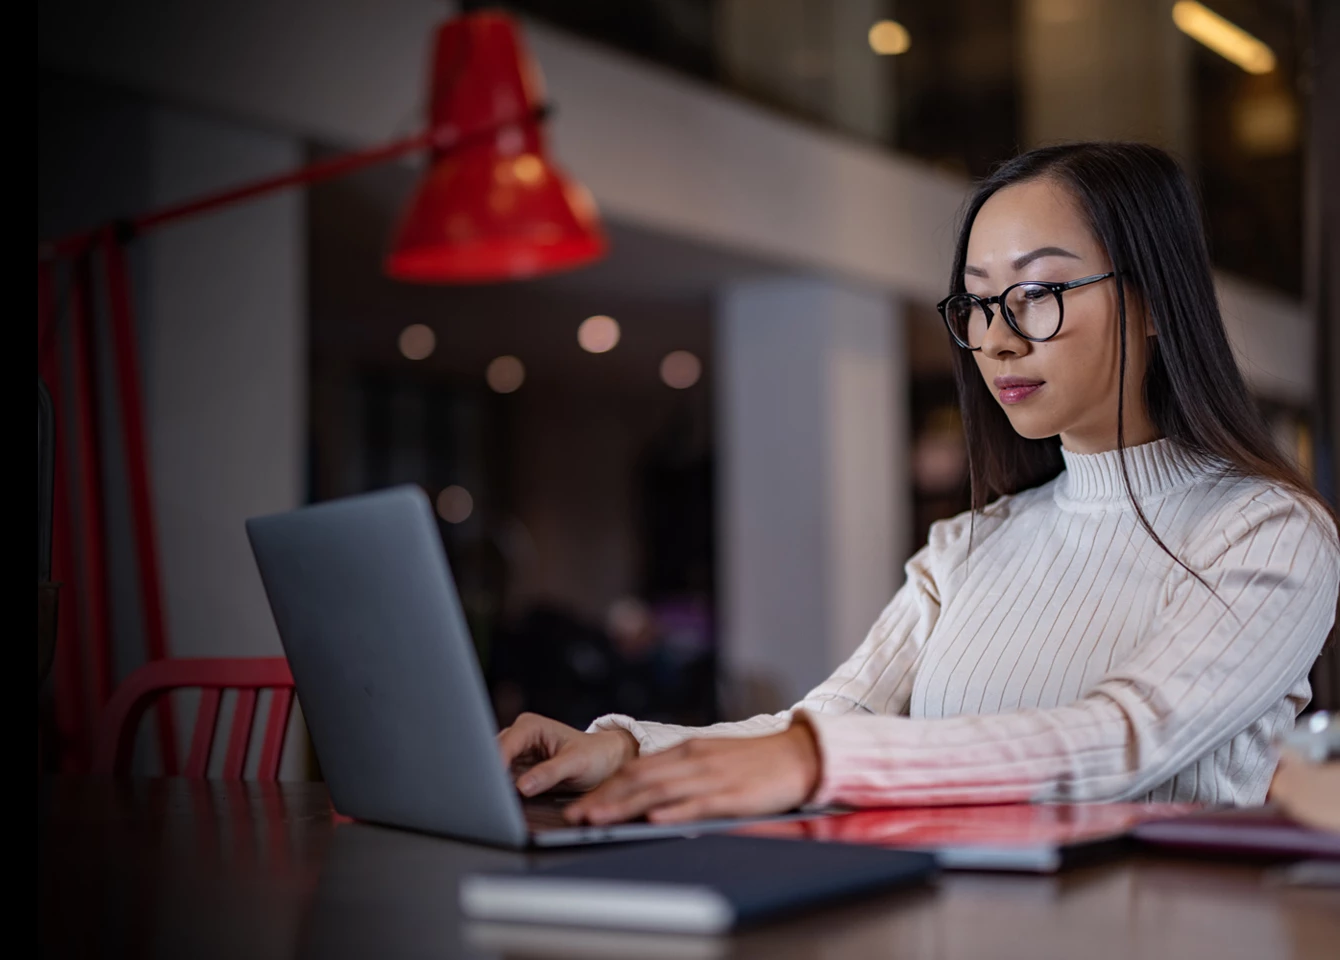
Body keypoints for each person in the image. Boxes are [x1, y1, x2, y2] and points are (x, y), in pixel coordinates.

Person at [498, 142, 1340, 827]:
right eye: (977, 303)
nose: (997, 339)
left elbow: (1125, 736)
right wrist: (627, 747)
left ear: (1153, 302)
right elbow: (833, 720)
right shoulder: (970, 544)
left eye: (1038, 292)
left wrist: (818, 761)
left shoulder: (1269, 532)